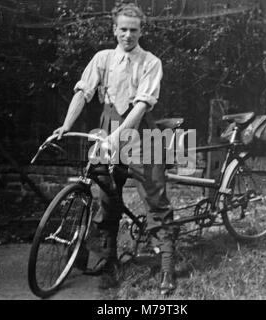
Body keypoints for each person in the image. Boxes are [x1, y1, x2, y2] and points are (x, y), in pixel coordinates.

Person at [53, 3, 177, 295]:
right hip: (107, 128)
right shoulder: (103, 58)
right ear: (114, 30)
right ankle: (106, 260)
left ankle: (168, 267)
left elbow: (141, 106)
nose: (128, 35)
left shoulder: (151, 62)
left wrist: (117, 138)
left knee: (154, 195)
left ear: (141, 31)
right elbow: (83, 93)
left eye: (134, 30)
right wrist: (66, 125)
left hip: (141, 132)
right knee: (102, 195)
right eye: (123, 29)